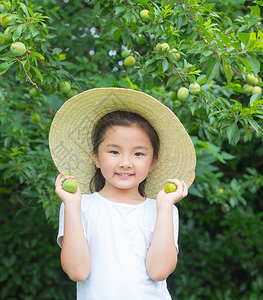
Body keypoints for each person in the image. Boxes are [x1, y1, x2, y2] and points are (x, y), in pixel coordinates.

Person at [48, 88, 196, 299]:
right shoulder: (78, 206)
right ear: (96, 158)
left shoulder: (164, 209)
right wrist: (72, 206)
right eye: (114, 151)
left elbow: (159, 271)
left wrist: (164, 207)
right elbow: (77, 272)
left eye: (138, 153)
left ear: (153, 161)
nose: (125, 163)